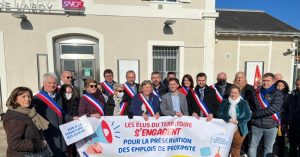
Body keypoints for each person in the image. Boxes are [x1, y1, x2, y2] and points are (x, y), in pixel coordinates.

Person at [33, 72, 77, 157]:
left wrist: (73, 118)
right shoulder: (37, 99)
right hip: (48, 137)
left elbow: (62, 114)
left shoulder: (59, 97)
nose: (52, 85)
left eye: (54, 83)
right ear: (44, 83)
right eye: (49, 83)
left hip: (61, 136)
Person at [4, 87, 50, 157]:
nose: (28, 99)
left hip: (33, 153)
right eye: (23, 97)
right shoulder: (13, 116)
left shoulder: (29, 112)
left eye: (29, 96)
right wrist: (40, 144)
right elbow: (15, 144)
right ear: (15, 99)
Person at [248, 73, 284, 157]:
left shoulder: (278, 93)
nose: (265, 83)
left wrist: (254, 114)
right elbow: (250, 105)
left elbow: (274, 108)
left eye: (268, 81)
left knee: (268, 148)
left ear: (273, 81)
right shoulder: (256, 92)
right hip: (256, 125)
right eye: (264, 80)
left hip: (271, 125)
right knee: (252, 146)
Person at [218, 86, 252, 157]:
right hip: (226, 128)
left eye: (236, 93)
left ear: (239, 93)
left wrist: (238, 121)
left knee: (236, 149)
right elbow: (219, 113)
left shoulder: (244, 102)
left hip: (240, 129)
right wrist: (229, 119)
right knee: (224, 147)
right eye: (232, 92)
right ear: (229, 93)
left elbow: (248, 116)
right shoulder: (225, 102)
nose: (234, 95)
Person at [233, 71, 256, 156]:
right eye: (238, 77)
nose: (239, 79)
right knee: (235, 139)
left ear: (245, 78)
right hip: (234, 118)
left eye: (241, 77)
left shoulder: (251, 88)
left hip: (246, 119)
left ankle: (244, 153)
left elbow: (254, 103)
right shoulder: (231, 88)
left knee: (246, 138)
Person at [273, 80, 289, 157]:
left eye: (281, 85)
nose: (279, 87)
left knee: (280, 139)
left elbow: (287, 109)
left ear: (285, 87)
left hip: (281, 121)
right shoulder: (272, 94)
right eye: (278, 85)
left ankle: (280, 154)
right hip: (271, 120)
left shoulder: (287, 96)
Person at [286, 78, 300, 157]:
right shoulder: (292, 95)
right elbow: (288, 109)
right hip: (293, 125)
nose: (299, 86)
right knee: (292, 147)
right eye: (297, 84)